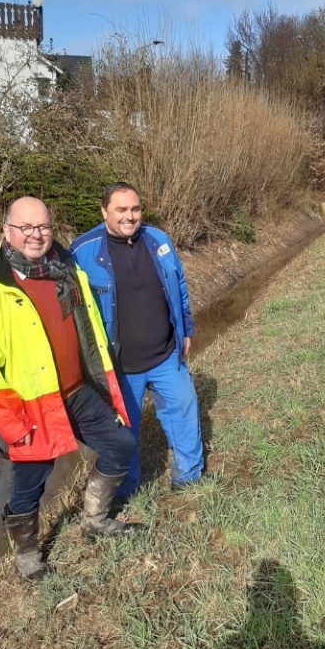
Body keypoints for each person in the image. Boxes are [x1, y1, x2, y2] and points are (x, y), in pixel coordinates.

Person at [0, 196, 144, 582]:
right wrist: (10, 422)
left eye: (43, 226)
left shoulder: (66, 267)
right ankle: (27, 554)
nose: (35, 235)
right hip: (31, 405)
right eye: (25, 228)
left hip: (77, 391)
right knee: (32, 480)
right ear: (6, 231)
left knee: (121, 444)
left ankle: (94, 520)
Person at [71, 182, 204, 497]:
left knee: (184, 410)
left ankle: (189, 478)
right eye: (121, 210)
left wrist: (185, 329)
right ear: (105, 211)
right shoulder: (82, 251)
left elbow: (179, 286)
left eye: (135, 208)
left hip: (166, 354)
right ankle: (126, 491)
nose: (130, 216)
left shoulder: (158, 240)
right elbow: (71, 315)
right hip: (119, 368)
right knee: (124, 433)